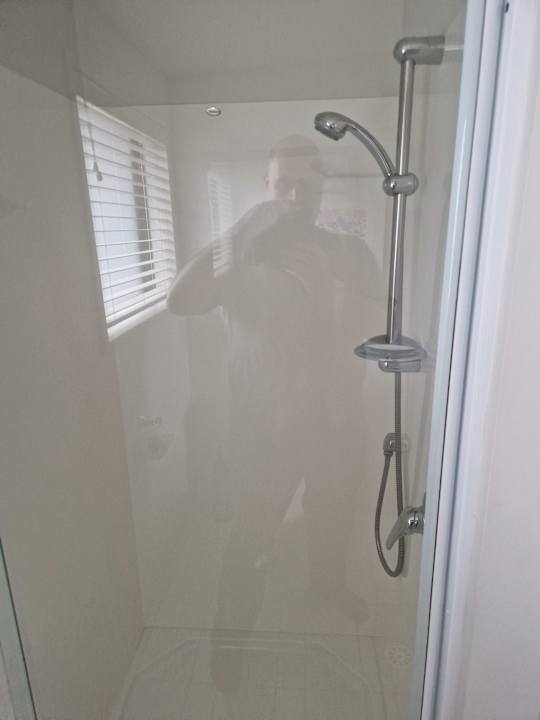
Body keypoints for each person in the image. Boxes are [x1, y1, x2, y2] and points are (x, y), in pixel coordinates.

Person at [167, 135, 382, 691]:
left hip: (333, 422)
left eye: (306, 184)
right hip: (264, 432)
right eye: (282, 184)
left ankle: (326, 585)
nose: (294, 196)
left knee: (333, 516)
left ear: (321, 188)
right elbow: (180, 299)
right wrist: (244, 230)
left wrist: (327, 290)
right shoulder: (241, 251)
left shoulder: (346, 252)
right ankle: (228, 646)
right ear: (266, 187)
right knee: (250, 540)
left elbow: (375, 324)